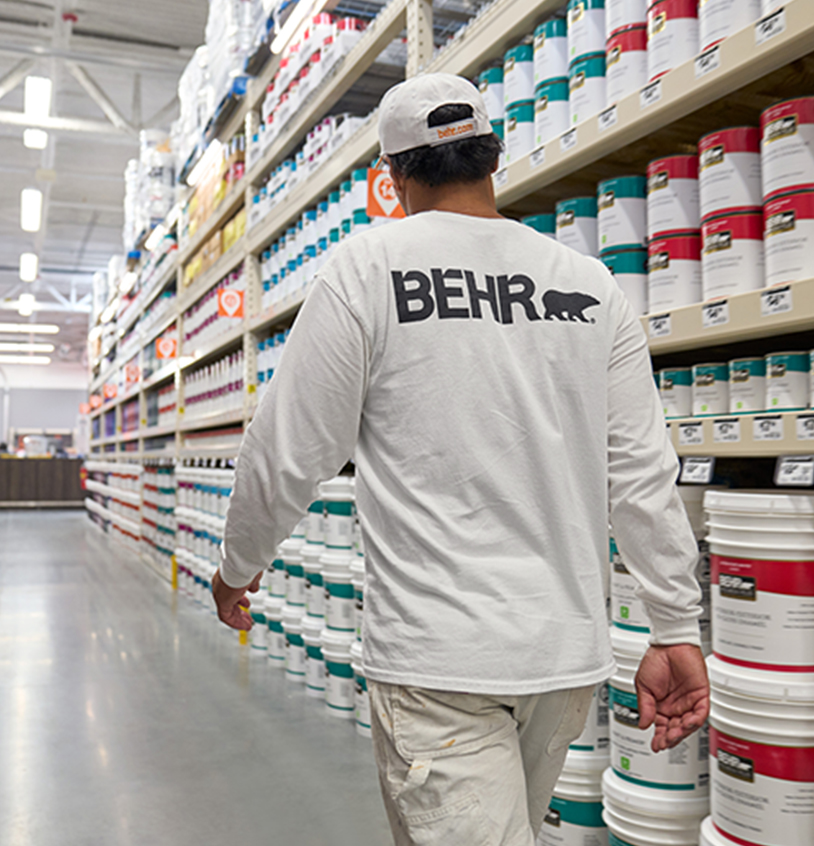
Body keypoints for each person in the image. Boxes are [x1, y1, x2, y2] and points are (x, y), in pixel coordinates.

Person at [213, 73, 708, 845]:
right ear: (493, 159)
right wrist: (675, 624)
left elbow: (286, 452)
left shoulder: (366, 268)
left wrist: (237, 566)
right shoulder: (588, 284)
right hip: (560, 655)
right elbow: (641, 472)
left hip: (437, 660)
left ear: (392, 178)